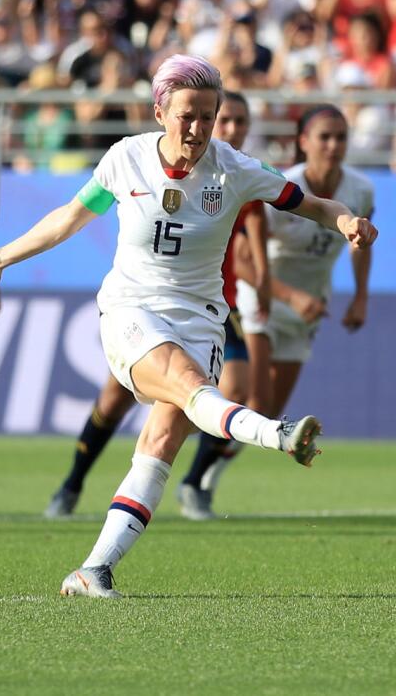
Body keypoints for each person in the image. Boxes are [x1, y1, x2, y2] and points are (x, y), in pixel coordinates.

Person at [0, 55, 376, 598]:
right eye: (187, 115)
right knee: (191, 387)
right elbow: (68, 218)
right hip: (131, 308)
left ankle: (93, 570)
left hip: (204, 318)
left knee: (162, 440)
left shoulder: (233, 169)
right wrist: (4, 256)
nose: (198, 128)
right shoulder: (127, 159)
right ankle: (277, 434)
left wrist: (346, 220)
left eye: (208, 116)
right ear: (160, 111)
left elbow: (312, 205)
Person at [43, 91, 268, 520]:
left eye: (240, 121)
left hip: (217, 310)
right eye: (229, 121)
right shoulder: (169, 166)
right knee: (114, 399)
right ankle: (72, 481)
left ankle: (194, 483)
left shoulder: (240, 175)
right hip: (154, 304)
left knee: (235, 390)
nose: (233, 129)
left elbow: (254, 253)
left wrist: (266, 286)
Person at [191, 104, 375, 518]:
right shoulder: (279, 188)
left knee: (270, 411)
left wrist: (361, 295)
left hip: (309, 306)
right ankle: (194, 482)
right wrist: (289, 297)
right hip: (264, 297)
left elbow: (360, 246)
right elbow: (241, 259)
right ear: (303, 142)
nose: (333, 145)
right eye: (324, 137)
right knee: (251, 399)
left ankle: (207, 478)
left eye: (341, 137)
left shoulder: (360, 191)